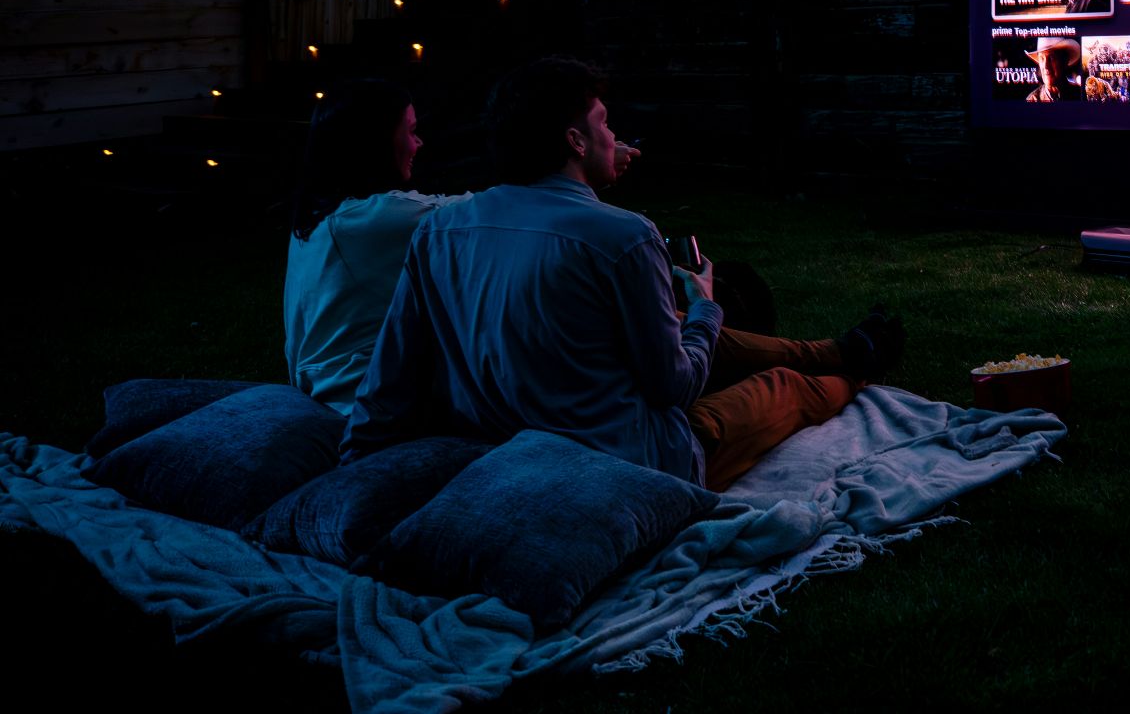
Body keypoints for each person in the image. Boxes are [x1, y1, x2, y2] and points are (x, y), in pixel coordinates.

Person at [341, 58, 904, 490]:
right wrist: (707, 306)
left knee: (697, 331)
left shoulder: (440, 232)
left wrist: (351, 467)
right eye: (605, 123)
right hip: (635, 460)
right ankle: (857, 376)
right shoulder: (624, 236)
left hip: (503, 445)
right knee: (780, 388)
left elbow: (389, 378)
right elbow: (674, 387)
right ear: (575, 140)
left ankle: (836, 348)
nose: (615, 136)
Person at [284, 82, 476, 415]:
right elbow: (488, 213)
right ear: (376, 141)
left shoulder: (319, 217)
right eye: (411, 131)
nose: (418, 143)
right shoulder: (373, 220)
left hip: (320, 385)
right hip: (358, 398)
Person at [1025, 37, 1086, 101]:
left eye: (1052, 58)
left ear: (1065, 60)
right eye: (1042, 58)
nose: (1046, 66)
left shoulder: (1080, 95)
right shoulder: (1032, 100)